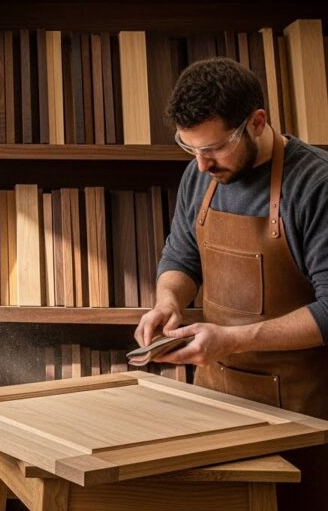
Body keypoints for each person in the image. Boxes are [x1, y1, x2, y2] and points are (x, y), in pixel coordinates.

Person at [135, 57, 328, 507]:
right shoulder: (198, 177)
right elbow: (181, 257)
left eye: (215, 148)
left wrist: (231, 340)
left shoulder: (316, 185)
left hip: (305, 419)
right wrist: (168, 302)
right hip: (217, 407)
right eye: (190, 149)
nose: (202, 165)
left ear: (257, 122)